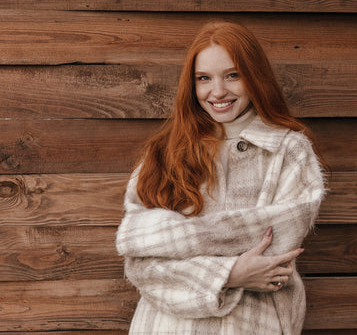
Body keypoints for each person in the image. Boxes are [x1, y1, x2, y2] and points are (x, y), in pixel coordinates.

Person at [116, 21, 326, 335]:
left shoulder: (288, 150)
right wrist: (230, 273)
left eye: (232, 75)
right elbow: (139, 264)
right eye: (204, 78)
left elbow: (276, 254)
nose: (217, 92)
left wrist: (167, 238)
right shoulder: (164, 152)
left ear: (254, 76)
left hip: (252, 325)